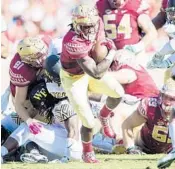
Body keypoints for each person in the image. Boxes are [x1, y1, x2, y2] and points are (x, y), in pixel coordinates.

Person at [60, 3, 124, 163]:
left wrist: (105, 54)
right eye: (84, 26)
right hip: (73, 78)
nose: (89, 30)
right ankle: (87, 152)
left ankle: (103, 115)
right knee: (88, 122)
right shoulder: (72, 41)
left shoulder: (99, 22)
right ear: (75, 24)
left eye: (91, 25)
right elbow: (96, 73)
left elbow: (97, 54)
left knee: (118, 93)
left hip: (89, 70)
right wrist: (112, 53)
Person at [9, 36, 51, 136]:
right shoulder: (23, 70)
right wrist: (29, 122)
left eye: (43, 53)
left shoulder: (45, 42)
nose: (44, 58)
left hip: (38, 81)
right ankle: (8, 127)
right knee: (37, 119)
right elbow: (19, 104)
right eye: (38, 56)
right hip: (26, 93)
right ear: (27, 59)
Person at [122, 78, 175, 157]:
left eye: (172, 99)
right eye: (165, 96)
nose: (167, 102)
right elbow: (127, 124)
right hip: (143, 147)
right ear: (161, 94)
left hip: (170, 151)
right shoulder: (151, 106)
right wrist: (130, 147)